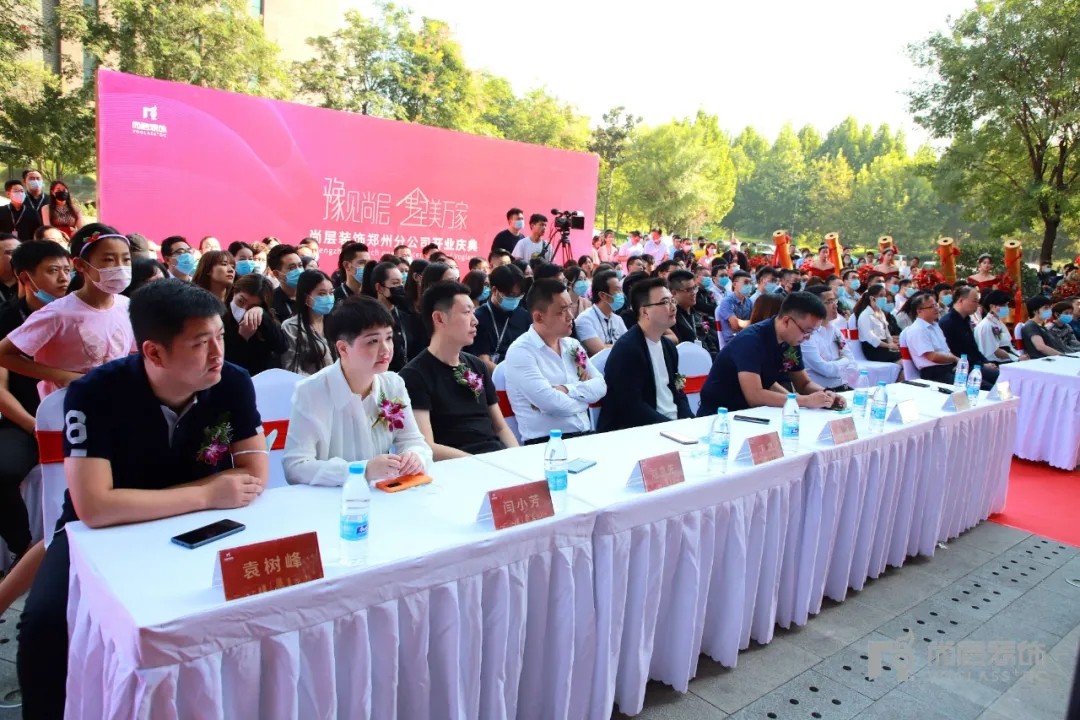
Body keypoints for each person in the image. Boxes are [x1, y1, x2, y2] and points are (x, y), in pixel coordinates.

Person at [17, 280, 269, 719]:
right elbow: (95, 509)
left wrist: (153, 500)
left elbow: (253, 475)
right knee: (45, 623)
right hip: (97, 536)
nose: (217, 353)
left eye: (220, 337)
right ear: (154, 352)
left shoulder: (232, 381)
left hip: (200, 524)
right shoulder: (95, 392)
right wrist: (205, 492)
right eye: (200, 343)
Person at [283, 295, 432, 485]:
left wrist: (414, 456)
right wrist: (362, 470)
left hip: (381, 492)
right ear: (343, 348)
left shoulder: (393, 384)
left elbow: (414, 441)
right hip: (329, 496)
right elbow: (295, 466)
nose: (386, 349)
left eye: (388, 338)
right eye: (372, 341)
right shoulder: (311, 391)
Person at [0, 226, 135, 398]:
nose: (120, 267)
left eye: (126, 259)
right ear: (80, 265)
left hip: (112, 400)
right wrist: (66, 377)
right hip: (66, 406)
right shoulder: (58, 313)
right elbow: (3, 354)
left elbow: (131, 353)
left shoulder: (127, 306)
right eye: (109, 259)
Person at [0, 241, 71, 566]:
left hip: (79, 416)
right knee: (3, 471)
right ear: (25, 277)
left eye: (67, 270)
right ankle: (24, 549)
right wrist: (35, 427)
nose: (63, 278)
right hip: (26, 420)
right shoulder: (7, 320)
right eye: (53, 271)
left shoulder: (81, 311)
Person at [400, 281, 518, 458]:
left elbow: (500, 427)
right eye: (466, 312)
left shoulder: (477, 365)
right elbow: (427, 446)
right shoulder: (414, 376)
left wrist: (517, 457)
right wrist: (479, 463)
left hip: (495, 456)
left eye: (473, 312)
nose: (475, 321)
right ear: (439, 318)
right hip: (456, 465)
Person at [698, 292, 846, 415]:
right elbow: (755, 396)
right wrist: (805, 401)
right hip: (720, 414)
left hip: (755, 413)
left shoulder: (791, 340)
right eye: (806, 331)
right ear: (787, 321)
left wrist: (827, 395)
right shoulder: (751, 340)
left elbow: (803, 383)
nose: (808, 337)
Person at [503, 279, 606, 444]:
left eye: (570, 308)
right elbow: (553, 404)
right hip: (546, 443)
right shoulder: (521, 352)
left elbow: (601, 386)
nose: (570, 316)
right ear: (539, 317)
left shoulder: (572, 345)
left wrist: (566, 389)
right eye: (562, 311)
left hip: (584, 435)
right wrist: (585, 400)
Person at [596, 278, 692, 431]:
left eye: (672, 301)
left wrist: (689, 420)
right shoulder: (627, 349)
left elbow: (677, 391)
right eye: (665, 302)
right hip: (640, 430)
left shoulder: (668, 346)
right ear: (645, 311)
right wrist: (670, 426)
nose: (673, 307)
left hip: (672, 425)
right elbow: (631, 406)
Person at [466, 263, 530, 371]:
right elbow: (483, 361)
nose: (515, 299)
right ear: (494, 290)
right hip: (495, 374)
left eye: (518, 296)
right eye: (510, 295)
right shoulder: (478, 318)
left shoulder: (524, 316)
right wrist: (511, 376)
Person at [224, 273, 287, 375]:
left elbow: (281, 346)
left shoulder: (263, 320)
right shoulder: (220, 320)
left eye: (252, 306)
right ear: (234, 293)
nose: (244, 309)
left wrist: (263, 315)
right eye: (241, 301)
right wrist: (242, 338)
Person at [937, 286, 999, 388]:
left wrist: (986, 362)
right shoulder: (947, 322)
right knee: (990, 387)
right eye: (974, 301)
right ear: (961, 300)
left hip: (975, 364)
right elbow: (952, 352)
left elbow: (973, 348)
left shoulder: (966, 320)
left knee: (1003, 378)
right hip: (960, 367)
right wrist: (982, 365)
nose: (977, 305)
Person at [800, 285, 857, 391]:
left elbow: (852, 363)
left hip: (842, 386)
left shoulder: (835, 330)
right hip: (820, 391)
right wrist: (844, 361)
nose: (835, 305)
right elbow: (825, 369)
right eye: (830, 302)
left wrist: (839, 364)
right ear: (815, 306)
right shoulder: (806, 335)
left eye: (835, 300)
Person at [281, 269, 335, 376]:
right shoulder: (291, 327)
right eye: (322, 294)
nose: (329, 298)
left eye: (331, 293)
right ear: (306, 297)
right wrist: (318, 382)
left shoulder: (335, 322)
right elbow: (292, 368)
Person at [900, 292, 960, 383]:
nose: (936, 308)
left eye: (936, 305)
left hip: (948, 368)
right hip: (934, 373)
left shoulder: (935, 326)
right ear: (919, 311)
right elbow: (932, 357)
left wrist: (957, 361)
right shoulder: (917, 329)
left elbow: (946, 351)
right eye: (931, 306)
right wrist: (955, 358)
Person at [575, 269, 627, 356]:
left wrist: (608, 346)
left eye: (621, 290)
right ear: (602, 295)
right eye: (617, 290)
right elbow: (600, 351)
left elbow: (629, 345)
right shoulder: (585, 320)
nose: (621, 294)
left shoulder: (618, 319)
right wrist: (622, 346)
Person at [854, 284, 902, 363]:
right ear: (872, 298)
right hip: (873, 349)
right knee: (903, 356)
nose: (884, 298)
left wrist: (891, 343)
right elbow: (871, 338)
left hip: (885, 346)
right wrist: (888, 345)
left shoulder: (881, 313)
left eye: (884, 296)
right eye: (881, 296)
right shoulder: (865, 315)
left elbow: (886, 332)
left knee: (906, 352)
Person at [974, 289, 1021, 363]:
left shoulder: (999, 323)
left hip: (1008, 359)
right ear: (992, 306)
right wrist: (1016, 358)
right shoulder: (986, 325)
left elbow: (1008, 345)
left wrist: (1019, 356)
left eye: (1007, 305)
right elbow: (995, 351)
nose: (1006, 308)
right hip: (995, 363)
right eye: (1003, 305)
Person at [267, 243, 303, 321]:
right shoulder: (270, 302)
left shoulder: (312, 296)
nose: (299, 271)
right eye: (292, 268)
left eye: (300, 266)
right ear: (276, 274)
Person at [716, 270, 753, 344]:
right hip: (732, 341)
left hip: (746, 337)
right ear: (734, 284)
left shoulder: (749, 301)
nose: (749, 285)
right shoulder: (727, 301)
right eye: (746, 282)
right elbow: (735, 325)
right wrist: (753, 323)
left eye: (750, 283)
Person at [667, 270, 703, 345]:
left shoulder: (696, 314)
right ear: (674, 293)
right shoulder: (671, 319)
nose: (693, 293)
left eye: (694, 288)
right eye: (688, 290)